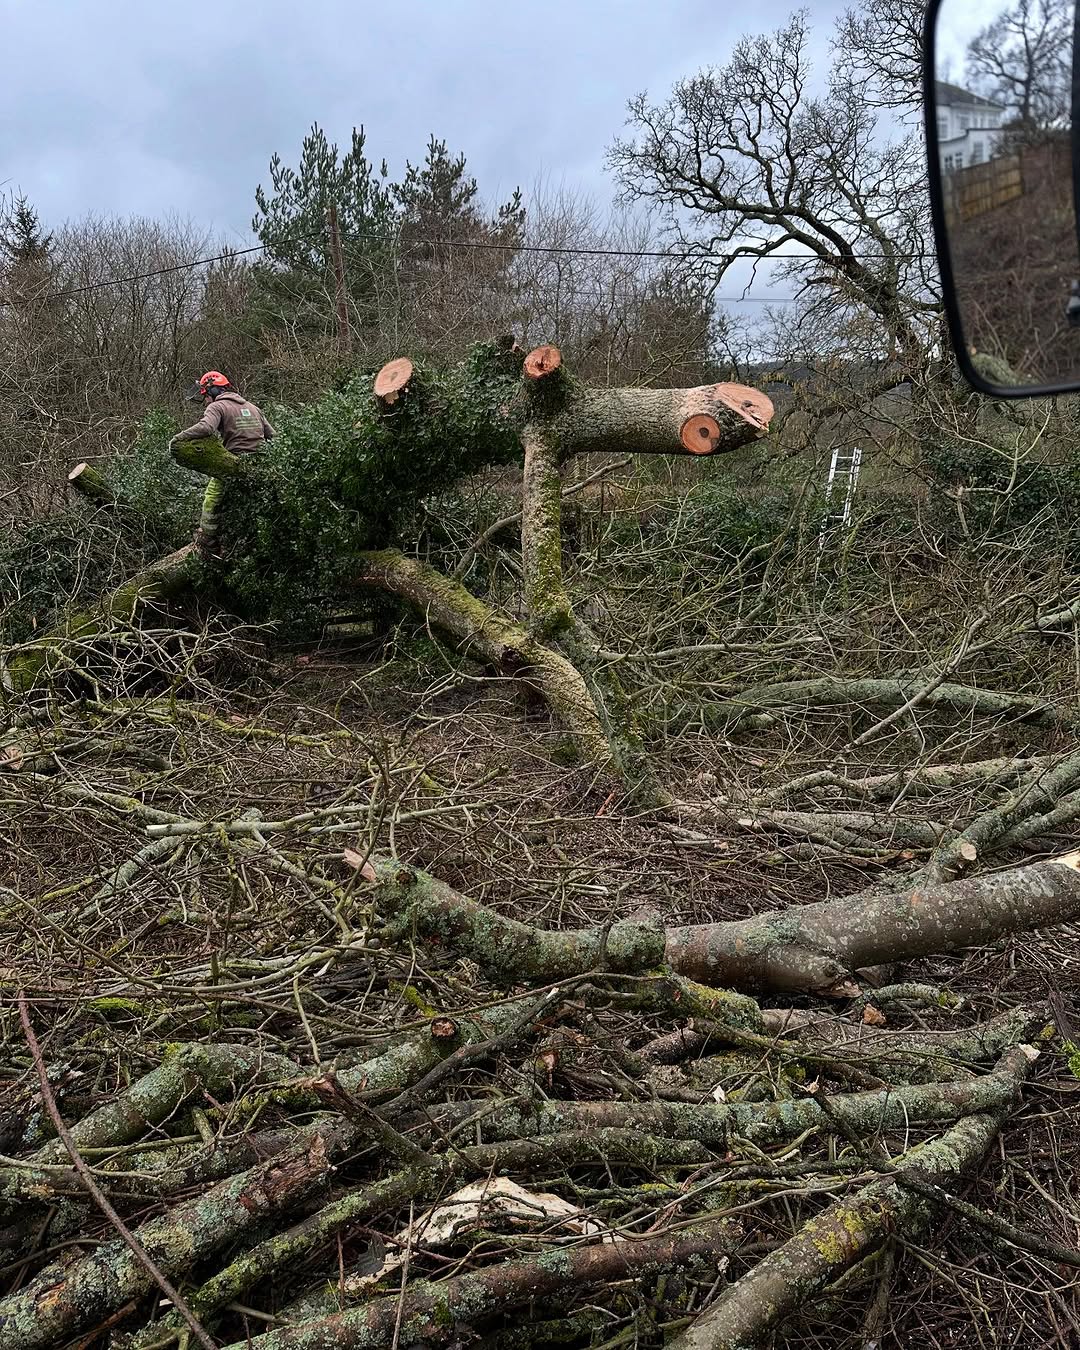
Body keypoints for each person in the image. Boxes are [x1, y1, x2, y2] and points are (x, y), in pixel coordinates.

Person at [171, 371, 274, 454]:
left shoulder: (216, 406)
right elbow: (272, 435)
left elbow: (206, 428)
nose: (206, 401)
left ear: (213, 391)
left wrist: (179, 437)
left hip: (236, 458)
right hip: (262, 461)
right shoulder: (253, 407)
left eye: (206, 396)